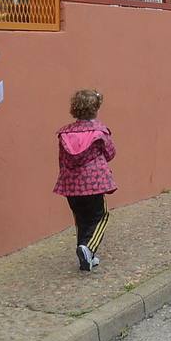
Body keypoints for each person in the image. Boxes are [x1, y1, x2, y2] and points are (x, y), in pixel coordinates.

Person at [53, 89, 117, 271]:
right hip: (93, 183)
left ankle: (86, 257)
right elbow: (111, 153)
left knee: (81, 219)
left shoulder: (65, 134)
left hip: (71, 185)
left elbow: (62, 159)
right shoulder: (100, 131)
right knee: (100, 216)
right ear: (96, 109)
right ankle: (88, 248)